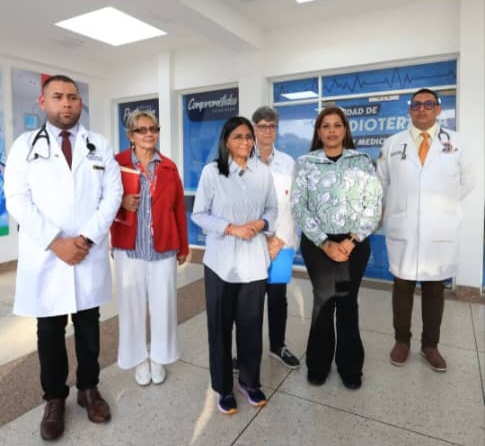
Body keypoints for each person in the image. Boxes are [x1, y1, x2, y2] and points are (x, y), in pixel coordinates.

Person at [4, 75, 122, 441]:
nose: (66, 103)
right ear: (43, 103)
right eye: (58, 96)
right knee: (49, 332)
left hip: (87, 251)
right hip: (48, 256)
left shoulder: (98, 145)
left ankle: (89, 389)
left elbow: (113, 194)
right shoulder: (24, 146)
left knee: (89, 327)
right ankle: (54, 398)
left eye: (72, 97)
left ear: (80, 103)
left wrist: (85, 238)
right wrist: (57, 243)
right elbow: (18, 199)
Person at [377, 88, 475, 373]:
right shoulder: (393, 143)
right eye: (416, 104)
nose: (422, 109)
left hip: (438, 229)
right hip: (404, 227)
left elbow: (468, 181)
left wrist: (441, 207)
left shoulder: (456, 143)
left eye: (428, 104)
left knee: (434, 288)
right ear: (410, 110)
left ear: (438, 109)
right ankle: (401, 341)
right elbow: (381, 183)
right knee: (402, 286)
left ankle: (430, 345)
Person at [191, 116, 278, 415]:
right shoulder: (212, 172)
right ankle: (223, 387)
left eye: (248, 137)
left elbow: (273, 209)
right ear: (226, 141)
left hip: (254, 263)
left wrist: (261, 223)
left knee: (251, 326)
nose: (245, 141)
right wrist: (231, 228)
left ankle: (249, 382)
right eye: (238, 136)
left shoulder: (262, 172)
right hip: (220, 263)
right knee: (220, 328)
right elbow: (199, 214)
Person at [291, 106, 382, 390]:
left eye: (337, 125)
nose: (331, 131)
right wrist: (325, 242)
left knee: (346, 302)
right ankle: (318, 364)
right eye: (325, 126)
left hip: (354, 243)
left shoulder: (362, 161)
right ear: (318, 132)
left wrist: (351, 240)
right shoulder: (306, 163)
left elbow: (374, 205)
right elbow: (299, 206)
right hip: (317, 243)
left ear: (345, 130)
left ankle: (350, 366)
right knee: (323, 300)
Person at [110, 110, 189, 386]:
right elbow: (101, 200)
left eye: (153, 129)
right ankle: (138, 359)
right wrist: (121, 202)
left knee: (163, 304)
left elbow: (178, 208)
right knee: (130, 306)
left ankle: (159, 357)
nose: (149, 134)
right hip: (129, 247)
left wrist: (183, 245)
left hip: (163, 247)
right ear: (130, 135)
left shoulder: (168, 166)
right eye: (141, 130)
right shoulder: (117, 163)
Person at [250, 106, 299, 368]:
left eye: (272, 126)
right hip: (251, 242)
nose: (267, 131)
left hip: (282, 244)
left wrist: (278, 239)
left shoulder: (288, 163)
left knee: (278, 297)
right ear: (254, 129)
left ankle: (278, 346)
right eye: (262, 126)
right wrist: (263, 238)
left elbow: (292, 206)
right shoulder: (243, 159)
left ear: (277, 130)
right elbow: (242, 204)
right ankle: (249, 350)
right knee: (251, 300)